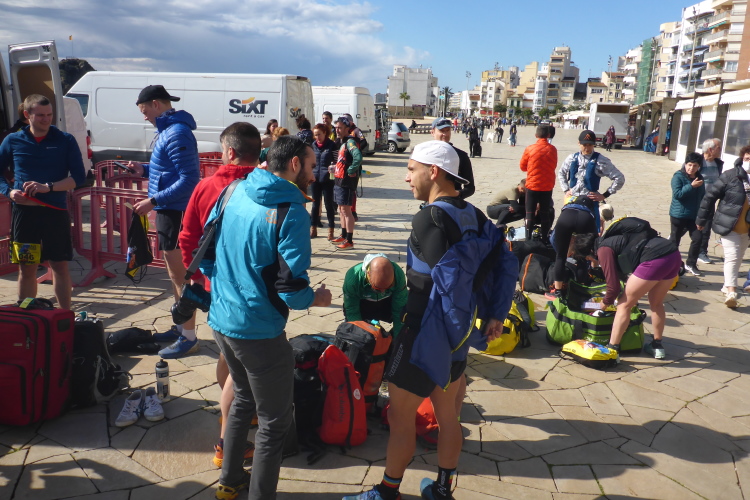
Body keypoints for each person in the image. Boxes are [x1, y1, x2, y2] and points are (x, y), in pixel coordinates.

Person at [344, 140, 515, 500]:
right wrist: (493, 316)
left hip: (424, 333)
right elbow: (504, 265)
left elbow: (448, 282)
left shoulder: (429, 217)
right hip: (456, 336)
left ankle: (387, 492)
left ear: (433, 171)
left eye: (411, 169)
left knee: (399, 418)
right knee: (448, 416)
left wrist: (449, 333)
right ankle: (441, 489)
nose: (407, 178)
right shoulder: (475, 216)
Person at [203, 135, 332, 499]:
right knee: (274, 423)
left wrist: (230, 291)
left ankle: (230, 482)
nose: (314, 174)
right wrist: (317, 298)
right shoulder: (292, 210)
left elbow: (206, 255)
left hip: (222, 320)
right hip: (259, 332)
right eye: (311, 166)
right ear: (294, 164)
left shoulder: (232, 191)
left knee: (243, 399)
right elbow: (290, 287)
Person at [178, 121, 260, 468]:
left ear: (229, 151)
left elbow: (187, 237)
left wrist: (198, 278)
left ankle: (235, 419)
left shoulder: (206, 186)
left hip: (215, 288)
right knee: (240, 367)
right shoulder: (264, 187)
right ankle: (228, 442)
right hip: (252, 293)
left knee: (228, 356)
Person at [125, 85, 200, 357]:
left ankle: (188, 336)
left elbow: (189, 179)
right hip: (170, 210)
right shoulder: (169, 130)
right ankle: (181, 328)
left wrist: (153, 201)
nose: (144, 116)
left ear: (156, 104)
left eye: (144, 110)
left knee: (180, 276)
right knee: (174, 274)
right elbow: (169, 170)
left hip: (175, 211)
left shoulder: (176, 131)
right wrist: (143, 169)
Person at [0, 94, 86, 310]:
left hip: (55, 213)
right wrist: (9, 192)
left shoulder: (65, 140)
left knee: (59, 266)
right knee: (27, 268)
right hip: (24, 215)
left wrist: (48, 187)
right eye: (40, 115)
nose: (46, 119)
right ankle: (27, 317)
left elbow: (78, 178)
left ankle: (65, 316)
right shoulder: (13, 140)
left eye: (49, 115)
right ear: (27, 115)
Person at [576, 218, 680, 361]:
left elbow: (613, 288)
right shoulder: (611, 240)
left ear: (589, 253)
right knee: (656, 303)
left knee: (624, 305)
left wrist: (604, 303)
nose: (590, 260)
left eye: (588, 258)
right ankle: (657, 346)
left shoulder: (603, 250)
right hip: (673, 254)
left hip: (653, 259)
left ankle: (612, 349)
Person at [696, 145, 750, 308]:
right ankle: (732, 292)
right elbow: (709, 197)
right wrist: (701, 219)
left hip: (747, 229)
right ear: (742, 158)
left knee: (738, 257)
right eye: (747, 158)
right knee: (732, 257)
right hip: (729, 225)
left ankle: (727, 285)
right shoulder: (730, 176)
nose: (749, 161)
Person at [545, 195, 599, 300]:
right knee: (582, 258)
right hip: (585, 219)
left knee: (560, 257)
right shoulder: (589, 212)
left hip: (566, 218)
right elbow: (594, 241)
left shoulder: (567, 208)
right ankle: (580, 289)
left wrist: (561, 251)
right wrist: (592, 259)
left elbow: (553, 237)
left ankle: (558, 291)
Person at [342, 253, 407, 336]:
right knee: (355, 331)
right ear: (368, 274)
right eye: (377, 288)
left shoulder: (398, 274)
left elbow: (399, 308)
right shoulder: (353, 279)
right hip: (364, 305)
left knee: (406, 313)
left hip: (387, 302)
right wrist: (360, 336)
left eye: (389, 286)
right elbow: (352, 311)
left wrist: (398, 337)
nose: (383, 291)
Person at [558, 130, 625, 203]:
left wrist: (605, 195)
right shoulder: (572, 158)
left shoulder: (601, 160)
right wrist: (566, 190)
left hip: (591, 199)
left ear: (594, 144)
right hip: (573, 197)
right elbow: (561, 173)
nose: (587, 148)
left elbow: (619, 178)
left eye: (590, 145)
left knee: (607, 209)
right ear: (579, 143)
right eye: (584, 145)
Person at [669, 152, 705, 277]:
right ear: (685, 164)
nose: (691, 168)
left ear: (699, 166)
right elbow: (678, 194)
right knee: (674, 241)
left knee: (698, 239)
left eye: (695, 166)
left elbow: (702, 197)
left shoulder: (700, 178)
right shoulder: (678, 176)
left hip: (694, 216)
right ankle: (671, 265)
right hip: (678, 215)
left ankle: (691, 263)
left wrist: (703, 216)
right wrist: (691, 186)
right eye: (689, 165)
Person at [520, 125, 558, 242]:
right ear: (548, 135)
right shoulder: (553, 149)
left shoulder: (530, 148)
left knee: (530, 212)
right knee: (545, 212)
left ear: (536, 135)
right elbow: (554, 165)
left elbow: (522, 166)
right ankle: (545, 237)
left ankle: (528, 238)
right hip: (547, 186)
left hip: (532, 185)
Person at [331, 116, 361, 249]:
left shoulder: (350, 142)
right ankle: (343, 235)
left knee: (346, 210)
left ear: (347, 129)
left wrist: (351, 169)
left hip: (346, 181)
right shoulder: (341, 142)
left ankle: (349, 240)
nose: (337, 130)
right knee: (341, 209)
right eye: (336, 127)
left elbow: (358, 157)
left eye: (340, 128)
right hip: (339, 179)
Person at [431, 117, 474, 199]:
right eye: (441, 131)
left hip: (453, 201)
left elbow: (470, 188)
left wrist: (456, 194)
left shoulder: (461, 156)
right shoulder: (425, 154)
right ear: (432, 132)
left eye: (447, 130)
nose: (445, 134)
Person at [697, 138, 723, 264]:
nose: (721, 150)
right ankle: (671, 244)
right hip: (696, 200)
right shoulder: (697, 161)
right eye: (718, 147)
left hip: (709, 201)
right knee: (685, 225)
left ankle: (702, 252)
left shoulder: (718, 163)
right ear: (710, 149)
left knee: (706, 228)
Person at [310, 122, 337, 240]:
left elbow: (336, 160)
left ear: (325, 133)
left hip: (328, 179)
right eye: (315, 135)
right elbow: (310, 162)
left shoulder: (332, 145)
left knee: (328, 204)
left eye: (319, 134)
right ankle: (313, 228)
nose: (317, 137)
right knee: (315, 205)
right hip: (315, 178)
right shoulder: (313, 145)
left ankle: (331, 230)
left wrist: (333, 167)